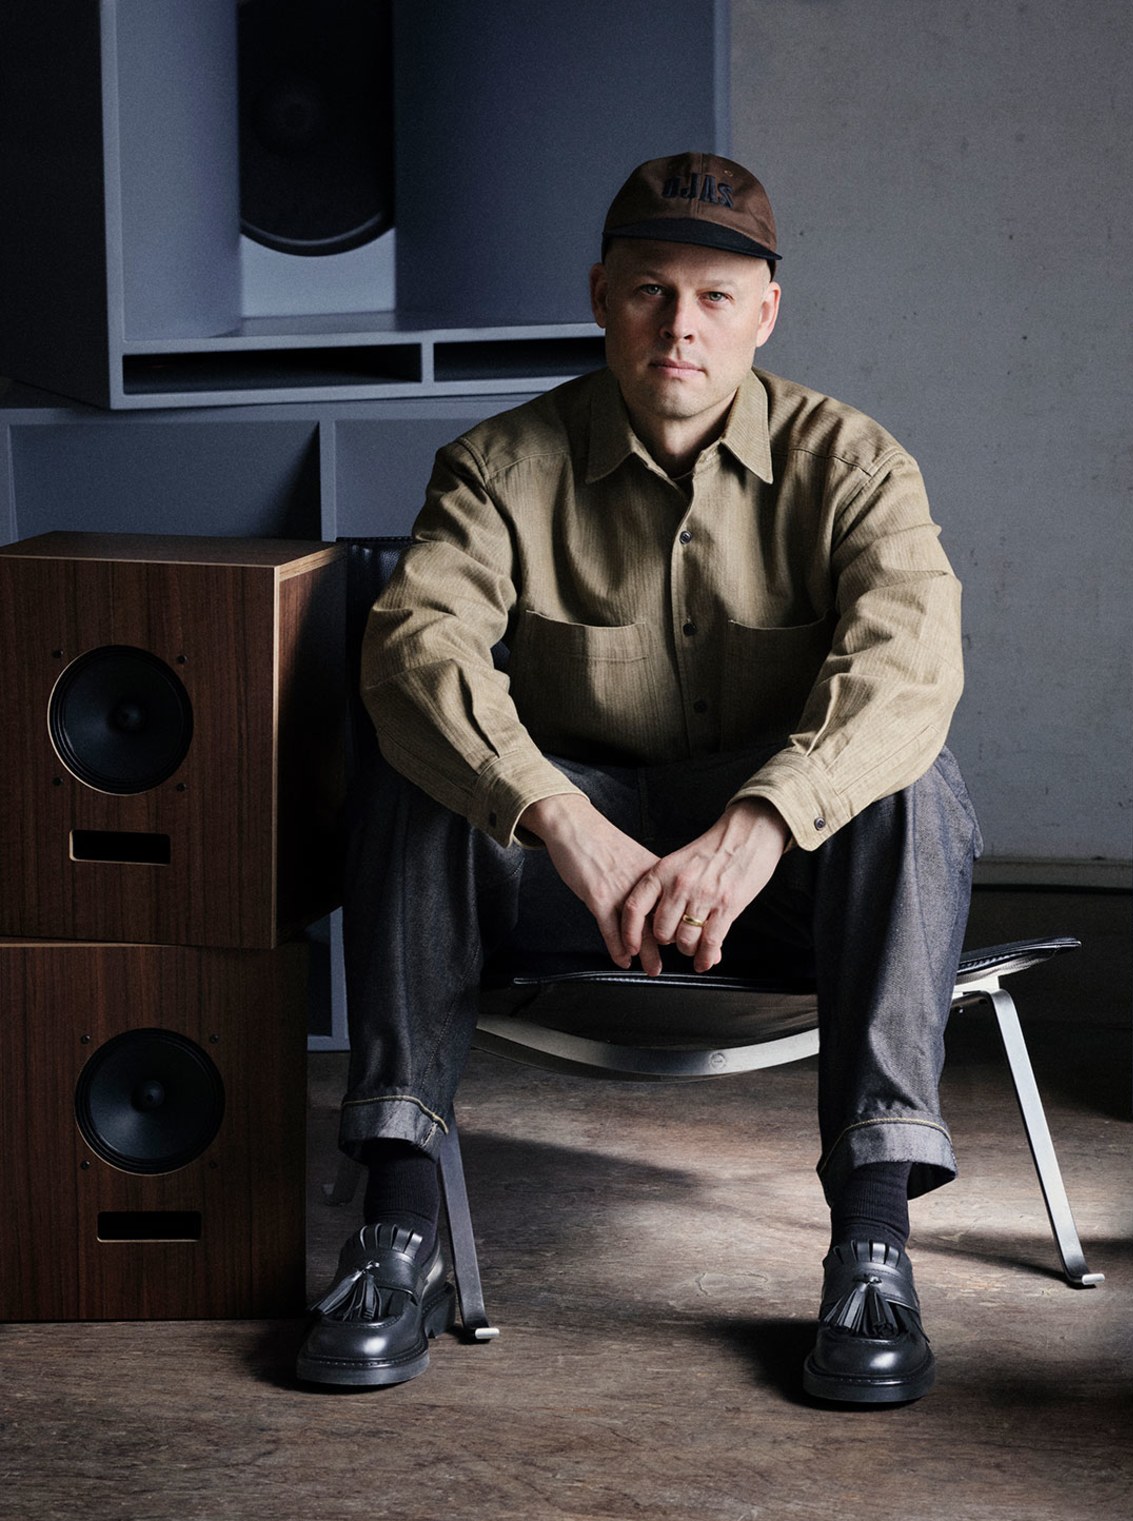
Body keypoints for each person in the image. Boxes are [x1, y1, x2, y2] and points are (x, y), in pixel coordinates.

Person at [297, 151, 982, 1405]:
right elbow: (417, 650)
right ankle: (397, 1232)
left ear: (765, 310)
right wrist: (557, 816)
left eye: (718, 296)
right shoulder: (497, 464)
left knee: (912, 785)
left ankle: (872, 1247)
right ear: (599, 295)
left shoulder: (857, 466)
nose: (682, 326)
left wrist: (760, 825)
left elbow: (909, 671)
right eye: (651, 290)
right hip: (573, 874)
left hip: (774, 886)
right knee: (414, 765)